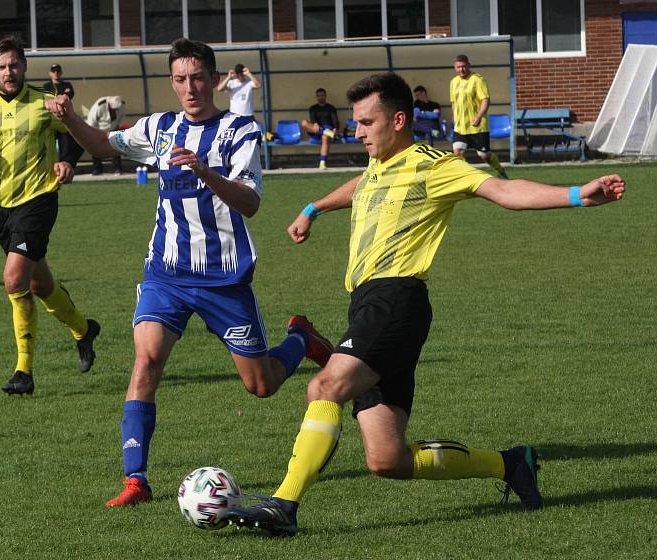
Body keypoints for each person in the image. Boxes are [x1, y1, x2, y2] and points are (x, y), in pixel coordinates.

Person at [226, 72, 626, 536]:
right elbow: (361, 185)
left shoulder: (434, 165)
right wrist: (314, 208)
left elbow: (502, 190)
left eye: (365, 122)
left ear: (397, 120)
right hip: (368, 305)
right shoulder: (380, 162)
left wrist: (577, 195)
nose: (357, 131)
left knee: (325, 387)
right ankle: (511, 465)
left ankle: (283, 505)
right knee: (387, 459)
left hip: (396, 301)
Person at [44, 37, 334, 508]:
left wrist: (205, 172)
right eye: (180, 79)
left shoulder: (239, 131)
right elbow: (100, 144)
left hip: (224, 279)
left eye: (198, 77)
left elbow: (251, 203)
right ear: (172, 82)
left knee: (259, 386)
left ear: (215, 79)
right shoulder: (159, 127)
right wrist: (70, 119)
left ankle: (302, 338)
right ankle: (136, 480)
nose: (189, 87)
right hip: (167, 273)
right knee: (146, 362)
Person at [0, 36, 99, 396]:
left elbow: (75, 135)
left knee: (14, 280)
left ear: (24, 67)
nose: (8, 72)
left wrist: (67, 161)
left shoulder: (43, 104)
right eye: (1, 66)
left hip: (38, 200)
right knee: (39, 284)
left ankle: (24, 371)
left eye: (14, 65)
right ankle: (83, 330)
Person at [449, 54, 508, 179]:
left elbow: (485, 100)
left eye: (463, 66)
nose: (461, 69)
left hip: (478, 126)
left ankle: (500, 170)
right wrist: (454, 117)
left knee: (483, 155)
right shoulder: (453, 82)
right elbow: (453, 102)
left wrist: (479, 116)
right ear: (455, 68)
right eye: (458, 67)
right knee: (458, 153)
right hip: (460, 127)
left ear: (469, 65)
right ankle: (465, 179)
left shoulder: (478, 80)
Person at [300, 88, 339, 170]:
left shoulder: (331, 108)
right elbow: (313, 120)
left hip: (328, 128)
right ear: (316, 97)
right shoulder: (313, 108)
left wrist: (335, 129)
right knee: (304, 122)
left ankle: (322, 163)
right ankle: (325, 132)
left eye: (322, 95)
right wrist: (315, 124)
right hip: (316, 130)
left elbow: (335, 121)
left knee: (325, 137)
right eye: (319, 96)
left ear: (325, 96)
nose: (320, 97)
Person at [86, 96, 126, 175]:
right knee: (95, 149)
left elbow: (121, 117)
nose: (115, 110)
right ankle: (97, 169)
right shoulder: (100, 105)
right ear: (109, 104)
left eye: (116, 109)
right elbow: (91, 120)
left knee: (116, 148)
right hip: (99, 129)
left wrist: (118, 126)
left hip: (113, 129)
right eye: (114, 109)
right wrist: (93, 133)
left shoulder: (121, 105)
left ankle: (117, 169)